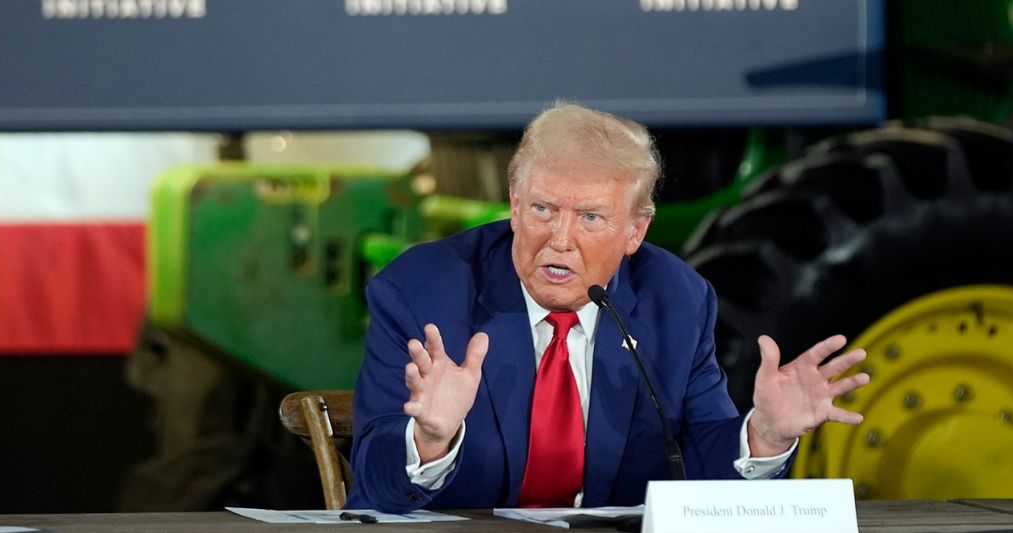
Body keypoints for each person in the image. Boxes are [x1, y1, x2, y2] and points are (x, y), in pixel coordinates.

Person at [346, 103, 869, 511]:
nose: (560, 239)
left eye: (591, 218)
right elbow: (375, 484)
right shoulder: (422, 293)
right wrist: (430, 440)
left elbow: (700, 468)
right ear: (513, 200)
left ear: (635, 230)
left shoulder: (676, 300)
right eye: (543, 209)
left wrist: (764, 435)